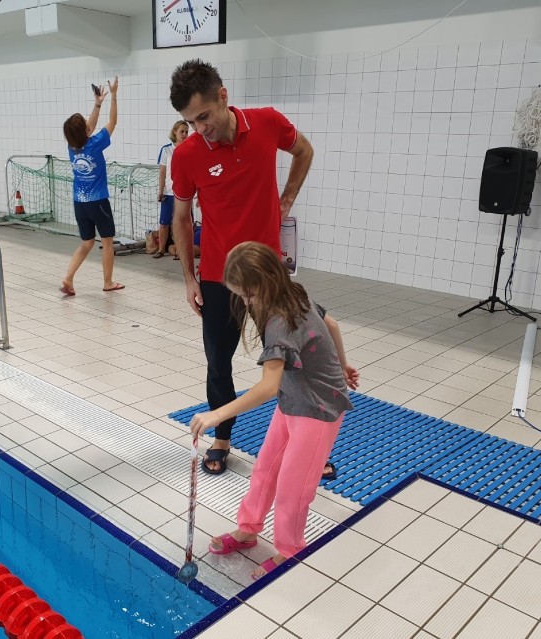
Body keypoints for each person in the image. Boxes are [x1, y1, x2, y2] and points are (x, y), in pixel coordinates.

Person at [169, 59, 315, 475]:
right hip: (217, 276)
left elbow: (304, 149)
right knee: (218, 360)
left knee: (291, 358)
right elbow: (181, 219)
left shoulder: (267, 123)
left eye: (204, 116)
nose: (200, 128)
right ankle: (222, 436)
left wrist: (287, 198)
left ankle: (303, 441)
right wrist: (188, 278)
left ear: (223, 97)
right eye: (190, 121)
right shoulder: (187, 155)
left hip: (267, 274)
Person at [190, 242, 359, 580]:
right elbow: (334, 325)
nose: (246, 303)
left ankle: (291, 551)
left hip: (318, 409)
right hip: (294, 400)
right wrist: (342, 364)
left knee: (293, 488)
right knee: (265, 469)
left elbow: (267, 387)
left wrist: (217, 414)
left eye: (247, 297)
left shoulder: (281, 319)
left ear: (262, 285)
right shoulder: (292, 291)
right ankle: (248, 528)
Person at [60, 76, 125, 296]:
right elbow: (112, 122)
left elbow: (89, 126)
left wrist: (98, 103)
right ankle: (108, 282)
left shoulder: (72, 147)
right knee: (107, 241)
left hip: (80, 203)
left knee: (87, 242)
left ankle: (68, 278)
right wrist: (113, 96)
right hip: (98, 201)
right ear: (86, 132)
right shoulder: (95, 145)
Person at [153, 120, 190, 258]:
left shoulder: (189, 149)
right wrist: (160, 191)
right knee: (164, 223)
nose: (185, 134)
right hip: (168, 192)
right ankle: (161, 249)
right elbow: (162, 172)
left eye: (186, 132)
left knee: (181, 223)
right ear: (175, 132)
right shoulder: (166, 150)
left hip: (183, 193)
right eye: (182, 131)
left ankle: (180, 250)